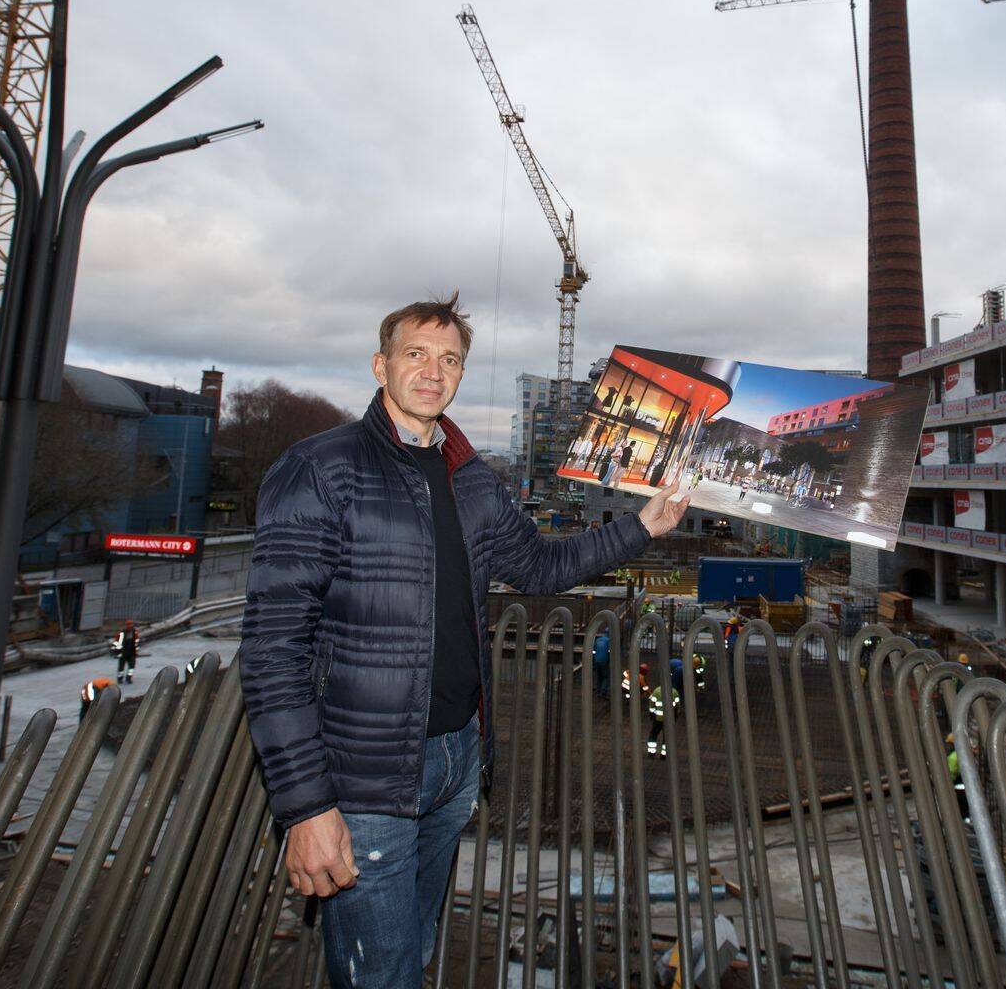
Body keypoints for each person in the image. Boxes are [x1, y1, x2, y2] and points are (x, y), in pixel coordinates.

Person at [239, 294, 688, 989]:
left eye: (449, 360)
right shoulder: (321, 467)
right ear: (381, 365)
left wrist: (642, 526)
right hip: (364, 776)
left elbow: (539, 566)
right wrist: (306, 808)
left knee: (412, 953)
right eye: (416, 354)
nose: (433, 371)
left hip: (455, 762)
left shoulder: (469, 475)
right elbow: (273, 649)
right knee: (379, 974)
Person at [112, 619, 140, 685]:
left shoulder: (134, 633)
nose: (129, 627)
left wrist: (136, 651)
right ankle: (120, 679)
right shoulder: (121, 634)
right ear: (126, 626)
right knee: (121, 667)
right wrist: (117, 652)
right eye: (128, 625)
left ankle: (129, 678)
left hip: (132, 653)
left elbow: (137, 642)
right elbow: (116, 642)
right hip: (123, 653)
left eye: (131, 625)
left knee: (131, 667)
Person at [591, 632, 611, 696]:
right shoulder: (608, 640)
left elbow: (594, 651)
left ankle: (598, 690)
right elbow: (609, 651)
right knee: (605, 676)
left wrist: (594, 660)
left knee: (599, 676)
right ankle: (603, 691)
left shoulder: (598, 640)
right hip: (604, 660)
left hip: (597, 660)